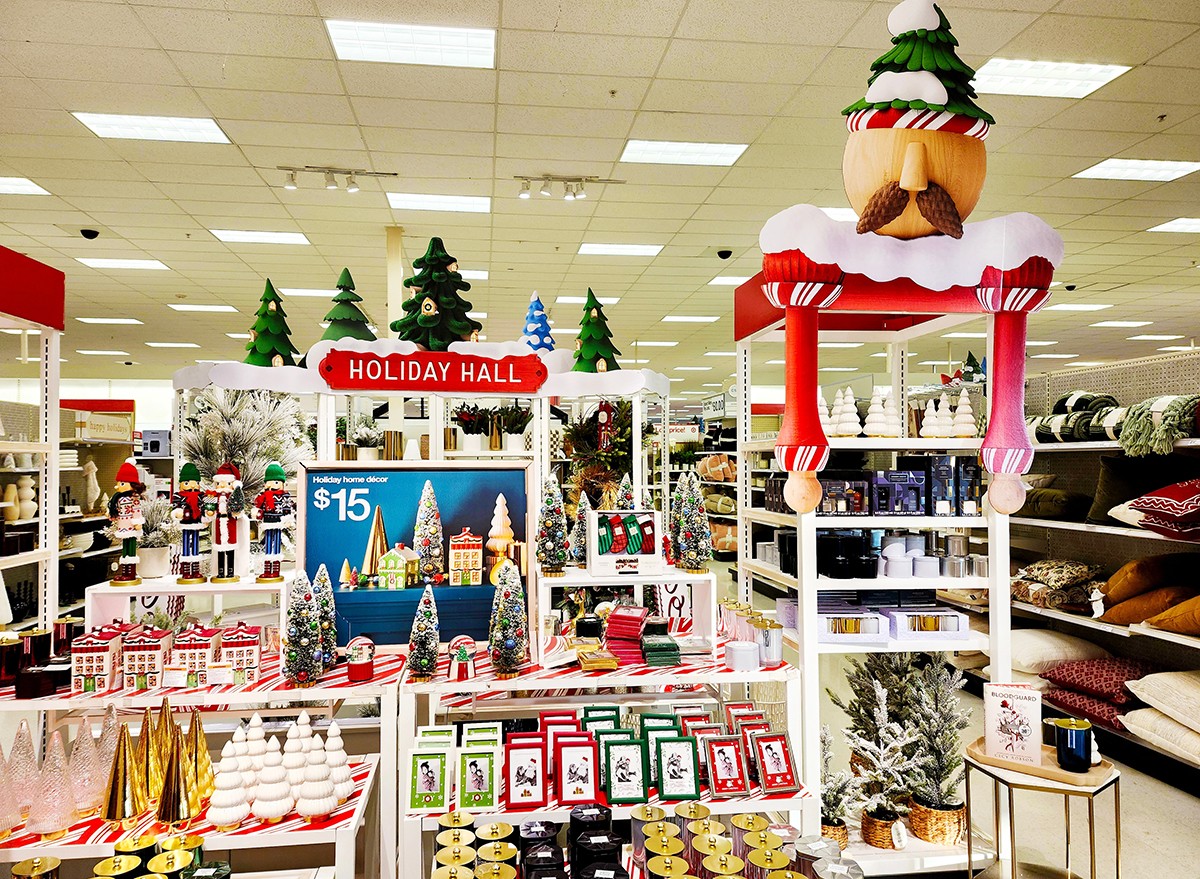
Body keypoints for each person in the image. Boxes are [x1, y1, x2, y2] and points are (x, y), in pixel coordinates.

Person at [252, 461, 293, 582]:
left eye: (276, 482)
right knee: (267, 546)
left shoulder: (284, 496)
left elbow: (287, 508)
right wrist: (257, 513)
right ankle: (266, 570)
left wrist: (288, 519)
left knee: (277, 548)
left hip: (278, 523)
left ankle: (275, 570)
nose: (273, 485)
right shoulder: (263, 496)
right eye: (270, 482)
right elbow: (258, 506)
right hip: (267, 524)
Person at [204, 461, 245, 582]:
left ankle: (231, 570)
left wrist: (237, 513)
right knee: (220, 548)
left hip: (230, 522)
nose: (222, 486)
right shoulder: (213, 496)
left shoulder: (233, 497)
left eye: (226, 483)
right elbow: (209, 509)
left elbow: (239, 510)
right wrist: (209, 513)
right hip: (218, 522)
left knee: (231, 547)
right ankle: (221, 571)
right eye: (219, 483)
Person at [108, 458, 145, 584]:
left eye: (122, 483)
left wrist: (138, 522)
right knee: (124, 549)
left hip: (131, 526)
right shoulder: (117, 499)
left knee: (131, 549)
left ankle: (131, 572)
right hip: (122, 526)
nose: (118, 486)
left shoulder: (134, 499)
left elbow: (137, 511)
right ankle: (124, 572)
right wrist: (112, 515)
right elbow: (116, 510)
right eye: (119, 483)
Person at [171, 461, 206, 584]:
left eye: (195, 483)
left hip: (196, 522)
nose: (192, 486)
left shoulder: (201, 496)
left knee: (196, 545)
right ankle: (186, 570)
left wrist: (206, 516)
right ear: (181, 483)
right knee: (186, 543)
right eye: (187, 483)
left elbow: (204, 508)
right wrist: (178, 512)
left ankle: (195, 569)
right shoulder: (179, 496)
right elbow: (175, 506)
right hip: (185, 524)